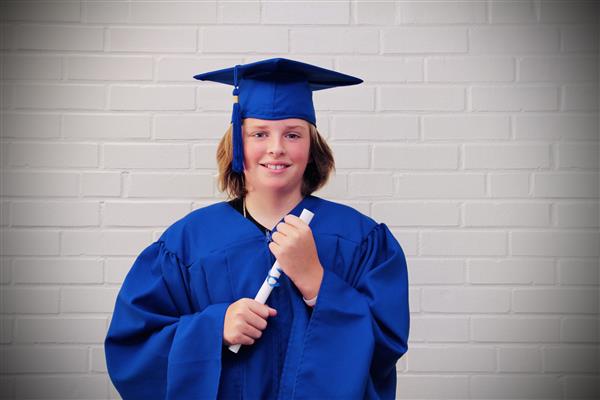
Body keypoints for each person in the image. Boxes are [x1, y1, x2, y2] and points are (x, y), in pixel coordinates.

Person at [104, 58, 410, 399]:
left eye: (293, 134)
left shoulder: (361, 240)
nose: (276, 147)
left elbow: (385, 346)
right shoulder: (187, 243)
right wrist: (213, 329)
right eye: (259, 133)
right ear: (237, 144)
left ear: (312, 148)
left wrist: (317, 283)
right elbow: (133, 347)